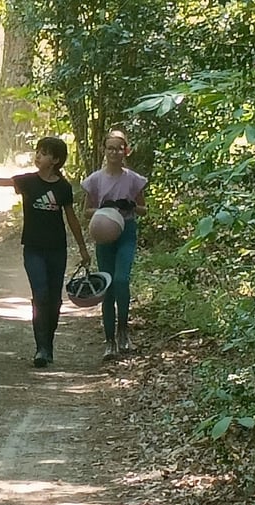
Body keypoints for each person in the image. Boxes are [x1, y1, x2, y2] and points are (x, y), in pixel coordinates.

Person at [0, 137, 91, 368]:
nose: (38, 155)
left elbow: (71, 218)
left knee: (54, 300)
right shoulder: (28, 181)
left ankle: (48, 344)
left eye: (44, 153)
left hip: (57, 249)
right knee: (40, 295)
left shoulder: (63, 188)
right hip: (33, 249)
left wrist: (83, 249)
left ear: (56, 160)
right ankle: (41, 348)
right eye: (38, 151)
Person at [81, 130, 148, 360]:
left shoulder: (133, 179)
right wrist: (103, 207)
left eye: (119, 148)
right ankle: (109, 340)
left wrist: (130, 205)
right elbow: (86, 211)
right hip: (103, 233)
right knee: (107, 285)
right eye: (110, 148)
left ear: (126, 151)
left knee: (121, 280)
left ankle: (123, 331)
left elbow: (143, 209)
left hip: (125, 231)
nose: (114, 152)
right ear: (104, 150)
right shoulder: (95, 180)